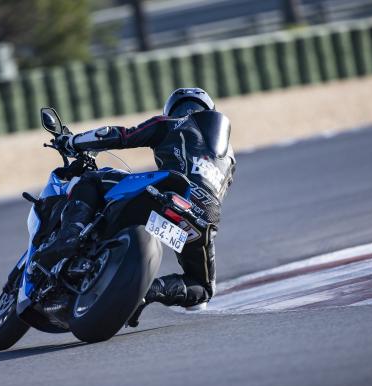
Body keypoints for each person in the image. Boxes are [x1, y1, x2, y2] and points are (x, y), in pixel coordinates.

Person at [32, 88, 236, 325]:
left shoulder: (172, 123)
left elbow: (120, 135)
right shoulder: (229, 159)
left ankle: (70, 236)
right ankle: (148, 293)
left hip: (165, 192)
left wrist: (73, 141)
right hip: (201, 219)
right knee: (202, 289)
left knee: (92, 180)